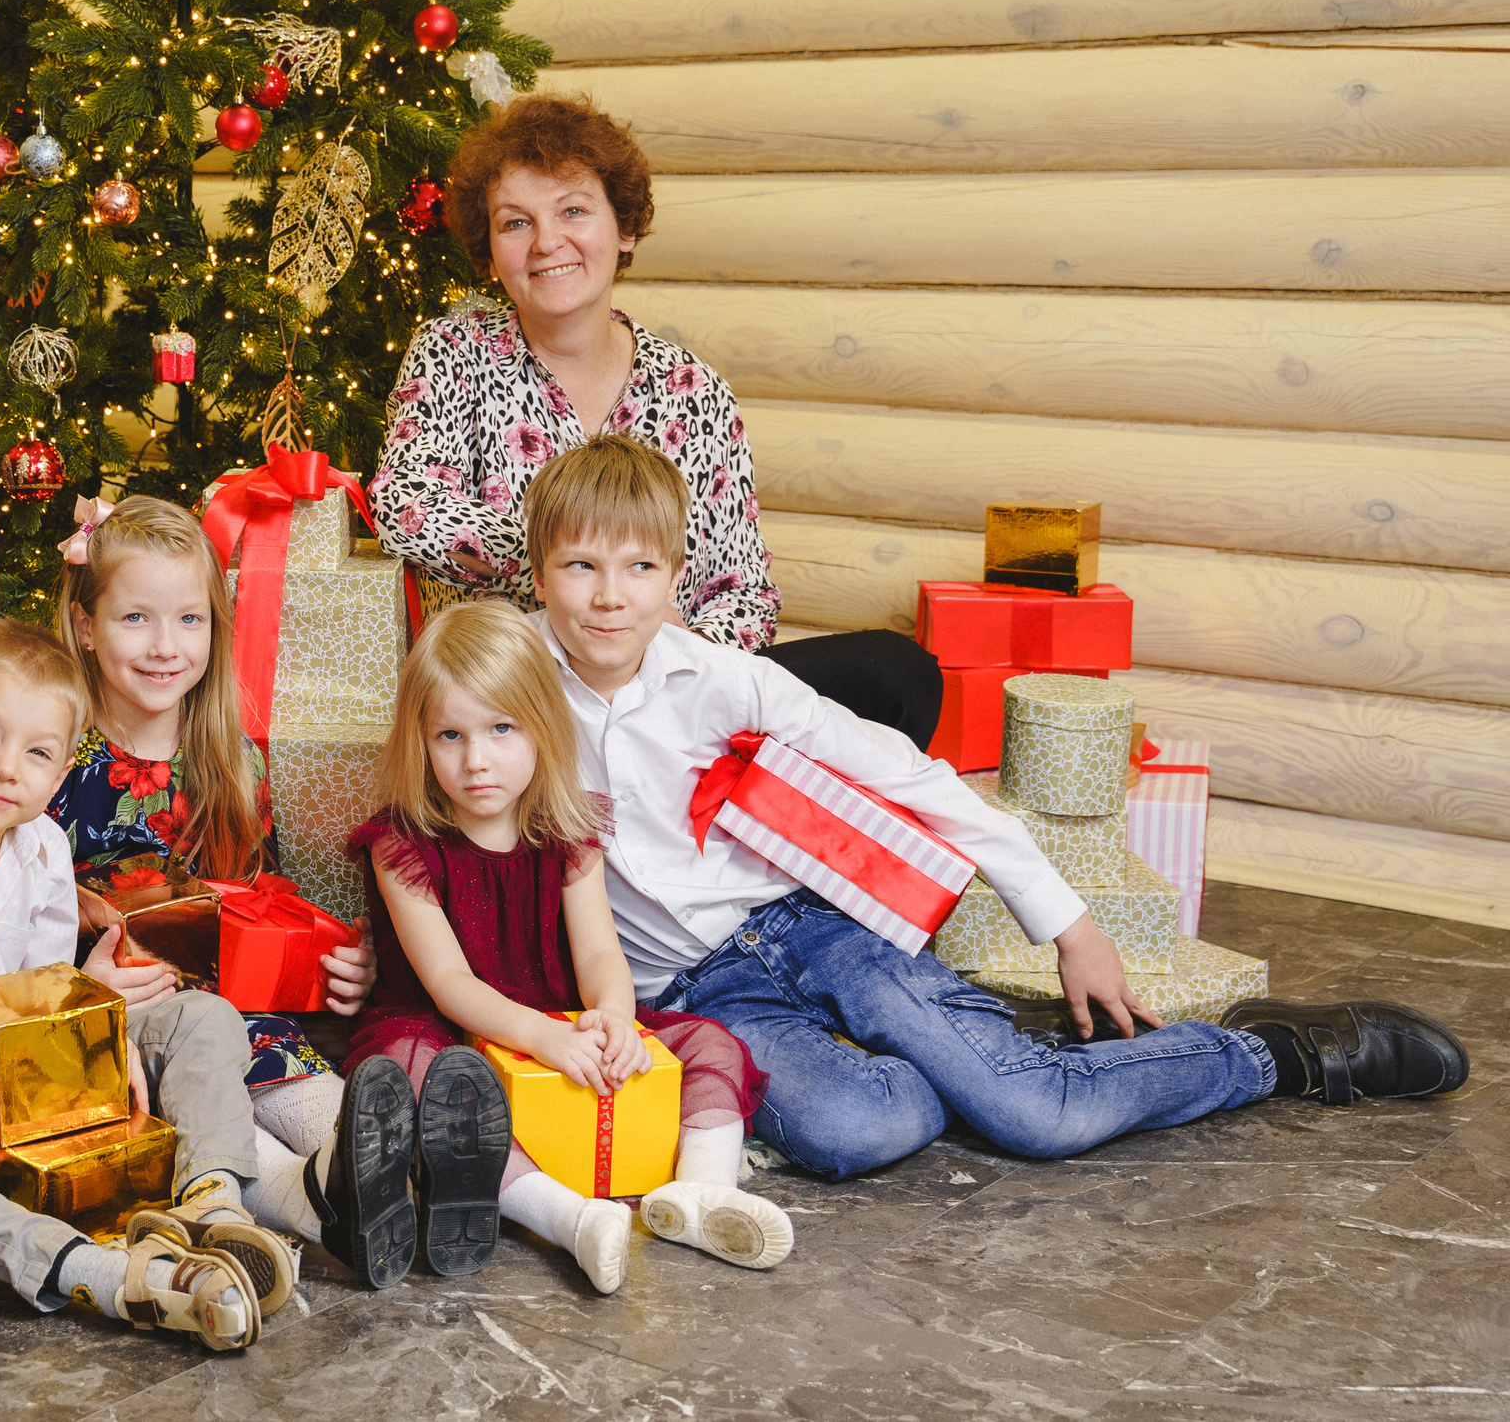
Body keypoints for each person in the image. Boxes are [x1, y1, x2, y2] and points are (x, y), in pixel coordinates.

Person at [522, 435, 1471, 1180]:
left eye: (640, 569)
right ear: (538, 572)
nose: (611, 599)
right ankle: (985, 1053)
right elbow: (430, 812)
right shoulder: (507, 683)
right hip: (691, 992)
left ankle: (1276, 1055)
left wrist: (1067, 923)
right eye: (581, 568)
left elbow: (911, 776)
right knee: (861, 1127)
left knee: (1037, 1120)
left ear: (676, 576)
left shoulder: (723, 680)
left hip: (804, 927)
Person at [369, 91, 942, 745]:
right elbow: (403, 502)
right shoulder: (452, 354)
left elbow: (745, 597)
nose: (547, 241)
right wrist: (562, 567)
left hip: (680, 693)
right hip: (521, 698)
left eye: (574, 211)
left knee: (895, 673)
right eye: (515, 222)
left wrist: (678, 648)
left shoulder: (695, 390)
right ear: (489, 247)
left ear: (626, 228)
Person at [0, 620, 307, 1350]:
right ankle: (101, 1273)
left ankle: (214, 1204)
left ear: (58, 774)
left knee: (201, 1015)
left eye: (37, 752)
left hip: (33, 1061)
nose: (5, 767)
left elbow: (51, 989)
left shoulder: (43, 845)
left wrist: (104, 1045)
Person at [339, 599, 787, 1294]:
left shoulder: (567, 829)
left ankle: (699, 1194)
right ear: (420, 741)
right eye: (449, 735)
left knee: (710, 1044)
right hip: (446, 1026)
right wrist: (543, 1042)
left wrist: (612, 1015)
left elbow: (601, 955)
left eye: (501, 729)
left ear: (543, 728)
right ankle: (567, 1218)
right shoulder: (402, 843)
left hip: (556, 1021)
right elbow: (449, 982)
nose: (476, 759)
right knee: (425, 1075)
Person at [50, 495, 376, 1145]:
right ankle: (321, 1182)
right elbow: (2, 924)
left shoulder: (231, 759)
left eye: (189, 618)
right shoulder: (53, 757)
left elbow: (263, 904)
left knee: (301, 1087)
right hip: (115, 1022)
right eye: (136, 617)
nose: (166, 646)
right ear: (87, 625)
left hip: (242, 1013)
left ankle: (361, 1155)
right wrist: (81, 987)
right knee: (215, 1093)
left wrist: (341, 957)